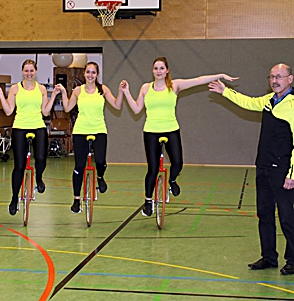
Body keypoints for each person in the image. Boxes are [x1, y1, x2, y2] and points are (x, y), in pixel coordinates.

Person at [121, 56, 238, 217]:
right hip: (151, 131)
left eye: (162, 68)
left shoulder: (175, 85)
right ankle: (148, 202)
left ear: (167, 70)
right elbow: (136, 109)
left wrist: (220, 75)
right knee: (152, 169)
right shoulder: (146, 88)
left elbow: (198, 80)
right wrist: (126, 92)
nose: (159, 71)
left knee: (177, 162)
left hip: (171, 129)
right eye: (156, 68)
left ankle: (172, 180)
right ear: (152, 70)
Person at [209, 63, 294, 275]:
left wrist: (292, 174)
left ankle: (292, 259)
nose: (275, 81)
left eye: (279, 77)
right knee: (264, 213)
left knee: (287, 217)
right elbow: (248, 102)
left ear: (290, 79)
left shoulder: (292, 105)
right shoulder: (268, 101)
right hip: (263, 166)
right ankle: (269, 257)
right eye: (272, 77)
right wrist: (225, 91)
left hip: (283, 170)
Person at [0, 59, 60, 216]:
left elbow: (45, 112)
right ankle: (14, 198)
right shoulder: (15, 89)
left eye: (31, 70)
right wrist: (1, 94)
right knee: (19, 166)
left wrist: (53, 96)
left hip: (38, 126)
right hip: (20, 127)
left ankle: (39, 177)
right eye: (26, 70)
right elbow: (9, 111)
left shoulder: (41, 89)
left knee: (41, 158)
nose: (29, 73)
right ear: (22, 71)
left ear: (35, 71)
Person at [54, 61, 123, 213]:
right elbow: (67, 108)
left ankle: (100, 177)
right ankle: (76, 199)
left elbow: (117, 106)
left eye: (93, 72)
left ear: (97, 74)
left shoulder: (102, 89)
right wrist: (64, 93)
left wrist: (121, 91)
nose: (90, 75)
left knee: (100, 161)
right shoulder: (78, 91)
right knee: (79, 166)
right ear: (84, 74)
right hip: (81, 130)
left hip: (99, 130)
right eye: (88, 72)